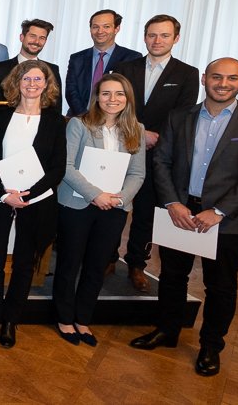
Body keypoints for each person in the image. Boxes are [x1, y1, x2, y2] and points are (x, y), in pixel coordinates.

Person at [129, 57, 238, 377]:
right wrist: (172, 202)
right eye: (216, 77)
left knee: (220, 286)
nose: (223, 84)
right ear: (204, 79)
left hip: (227, 220)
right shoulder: (179, 116)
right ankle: (167, 330)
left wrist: (219, 211)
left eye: (232, 78)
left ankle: (211, 346)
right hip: (180, 212)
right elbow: (162, 162)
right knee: (172, 277)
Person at [0, 60, 66, 348]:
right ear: (16, 82)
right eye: (26, 78)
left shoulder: (55, 121)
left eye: (38, 79)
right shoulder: (1, 118)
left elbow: (58, 168)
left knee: (24, 264)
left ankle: (10, 321)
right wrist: (6, 194)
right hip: (0, 198)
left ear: (47, 84)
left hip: (36, 202)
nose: (31, 84)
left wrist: (27, 194)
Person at [54, 74, 146, 347]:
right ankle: (64, 318)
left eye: (119, 94)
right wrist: (95, 194)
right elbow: (66, 166)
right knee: (69, 263)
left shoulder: (137, 129)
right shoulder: (79, 125)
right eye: (106, 93)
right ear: (97, 97)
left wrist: (119, 199)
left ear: (127, 98)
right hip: (77, 204)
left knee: (97, 266)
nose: (112, 99)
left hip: (114, 208)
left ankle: (83, 318)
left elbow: (138, 173)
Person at [112, 14, 199, 291]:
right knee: (113, 206)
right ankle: (107, 257)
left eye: (164, 35)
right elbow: (113, 105)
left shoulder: (187, 74)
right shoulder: (125, 68)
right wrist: (139, 133)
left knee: (146, 213)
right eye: (152, 35)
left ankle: (137, 264)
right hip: (121, 147)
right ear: (145, 37)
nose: (157, 40)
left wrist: (154, 138)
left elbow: (183, 116)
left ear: (176, 38)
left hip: (158, 154)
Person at [64, 10, 143, 117]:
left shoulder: (132, 58)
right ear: (90, 29)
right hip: (79, 119)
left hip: (115, 121)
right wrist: (84, 117)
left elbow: (130, 94)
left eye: (106, 26)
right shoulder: (77, 58)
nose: (100, 31)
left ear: (116, 29)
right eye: (95, 27)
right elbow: (71, 92)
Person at [0, 19, 63, 112]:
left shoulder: (52, 70)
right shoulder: (0, 69)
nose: (37, 41)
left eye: (42, 38)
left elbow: (56, 108)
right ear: (22, 37)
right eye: (32, 36)